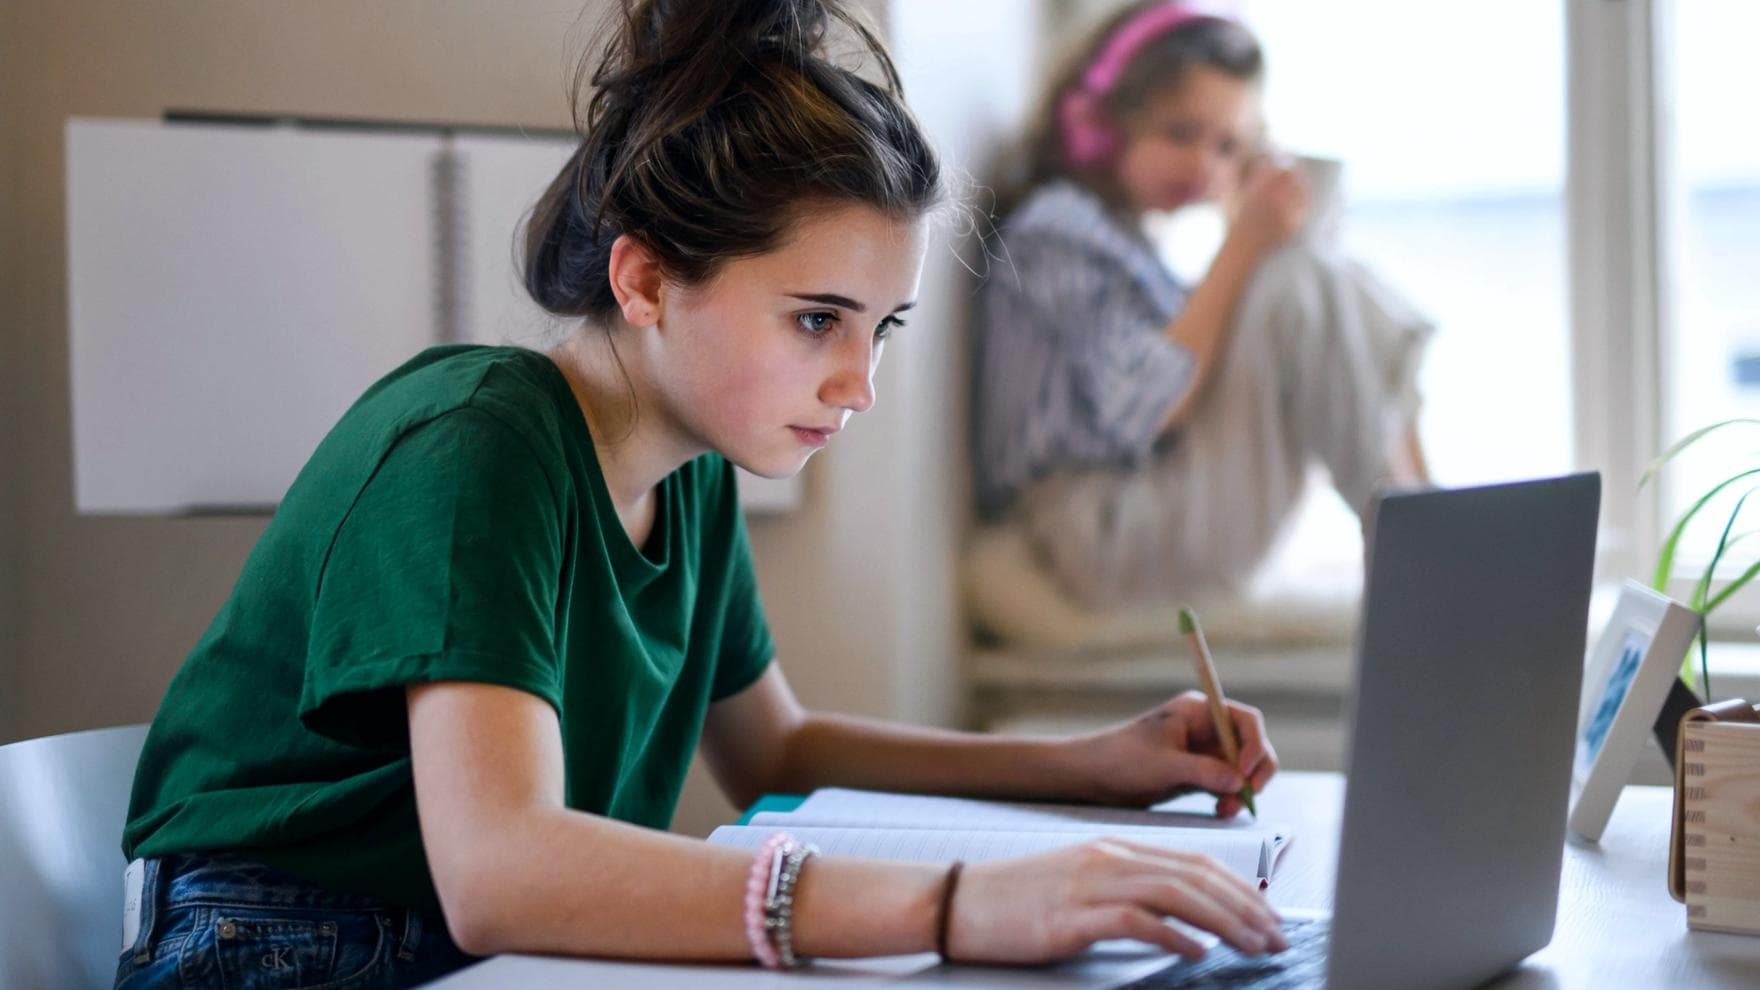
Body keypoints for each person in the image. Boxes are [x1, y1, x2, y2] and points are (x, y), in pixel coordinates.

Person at [114, 2, 1286, 987]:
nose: (858, 384)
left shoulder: (692, 476)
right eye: (817, 319)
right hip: (280, 939)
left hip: (461, 947)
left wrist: (1096, 766)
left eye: (881, 329)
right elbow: (501, 873)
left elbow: (775, 751)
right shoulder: (479, 445)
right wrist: (958, 906)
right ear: (644, 278)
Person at [971, 1, 1433, 612]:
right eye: (1180, 133)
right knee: (1293, 276)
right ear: (1102, 121)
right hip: (1097, 532)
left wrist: (1252, 234)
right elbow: (1148, 405)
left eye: (1227, 149)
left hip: (1136, 511)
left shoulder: (1117, 236)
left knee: (1315, 275)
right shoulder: (1056, 231)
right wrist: (1246, 245)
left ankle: (1425, 514)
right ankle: (1426, 539)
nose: (1203, 165)